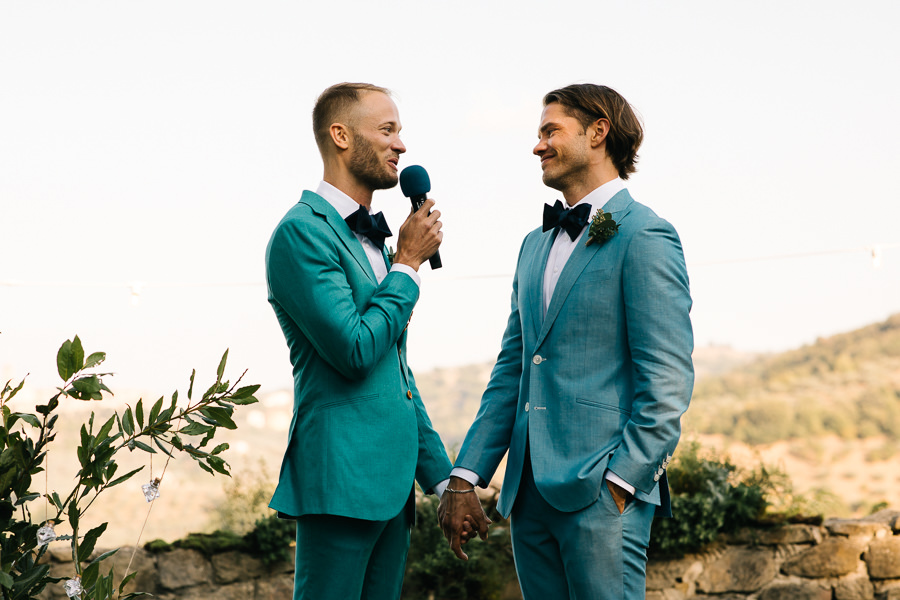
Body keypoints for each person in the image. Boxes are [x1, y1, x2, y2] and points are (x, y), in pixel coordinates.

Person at [438, 83, 694, 599]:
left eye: (550, 131)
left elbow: (667, 381)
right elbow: (514, 368)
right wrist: (466, 476)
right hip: (527, 497)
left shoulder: (646, 235)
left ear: (598, 132)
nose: (538, 146)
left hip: (602, 494)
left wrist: (622, 482)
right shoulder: (533, 246)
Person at [265, 82, 453, 600]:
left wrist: (443, 481)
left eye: (401, 132)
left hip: (394, 491)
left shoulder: (375, 241)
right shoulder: (302, 233)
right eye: (388, 130)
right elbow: (353, 351)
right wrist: (409, 266)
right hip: (340, 481)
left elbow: (396, 377)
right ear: (341, 135)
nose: (401, 146)